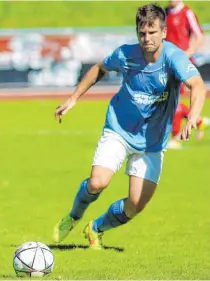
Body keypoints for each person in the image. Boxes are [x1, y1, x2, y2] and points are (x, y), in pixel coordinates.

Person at [52, 3, 206, 250]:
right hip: (119, 130)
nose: (147, 38)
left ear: (163, 32)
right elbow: (99, 68)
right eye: (142, 33)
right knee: (98, 182)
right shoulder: (125, 54)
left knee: (135, 205)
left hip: (152, 141)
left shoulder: (173, 57)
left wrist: (192, 117)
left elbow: (197, 86)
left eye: (153, 32)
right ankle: (73, 216)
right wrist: (74, 98)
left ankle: (96, 227)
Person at [165, 0, 208, 149]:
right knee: (166, 99)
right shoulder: (165, 13)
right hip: (166, 63)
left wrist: (187, 53)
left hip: (182, 63)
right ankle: (199, 122)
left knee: (173, 99)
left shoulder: (187, 13)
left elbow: (199, 36)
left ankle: (176, 138)